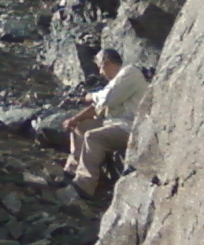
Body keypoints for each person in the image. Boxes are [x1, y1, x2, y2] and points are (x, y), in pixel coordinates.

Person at [61, 48, 148, 197]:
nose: (101, 73)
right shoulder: (115, 82)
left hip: (130, 127)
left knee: (92, 137)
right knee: (81, 127)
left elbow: (107, 99)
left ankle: (84, 185)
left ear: (107, 62)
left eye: (101, 67)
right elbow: (98, 107)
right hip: (114, 124)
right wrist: (75, 120)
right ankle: (71, 171)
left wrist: (91, 96)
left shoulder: (130, 73)